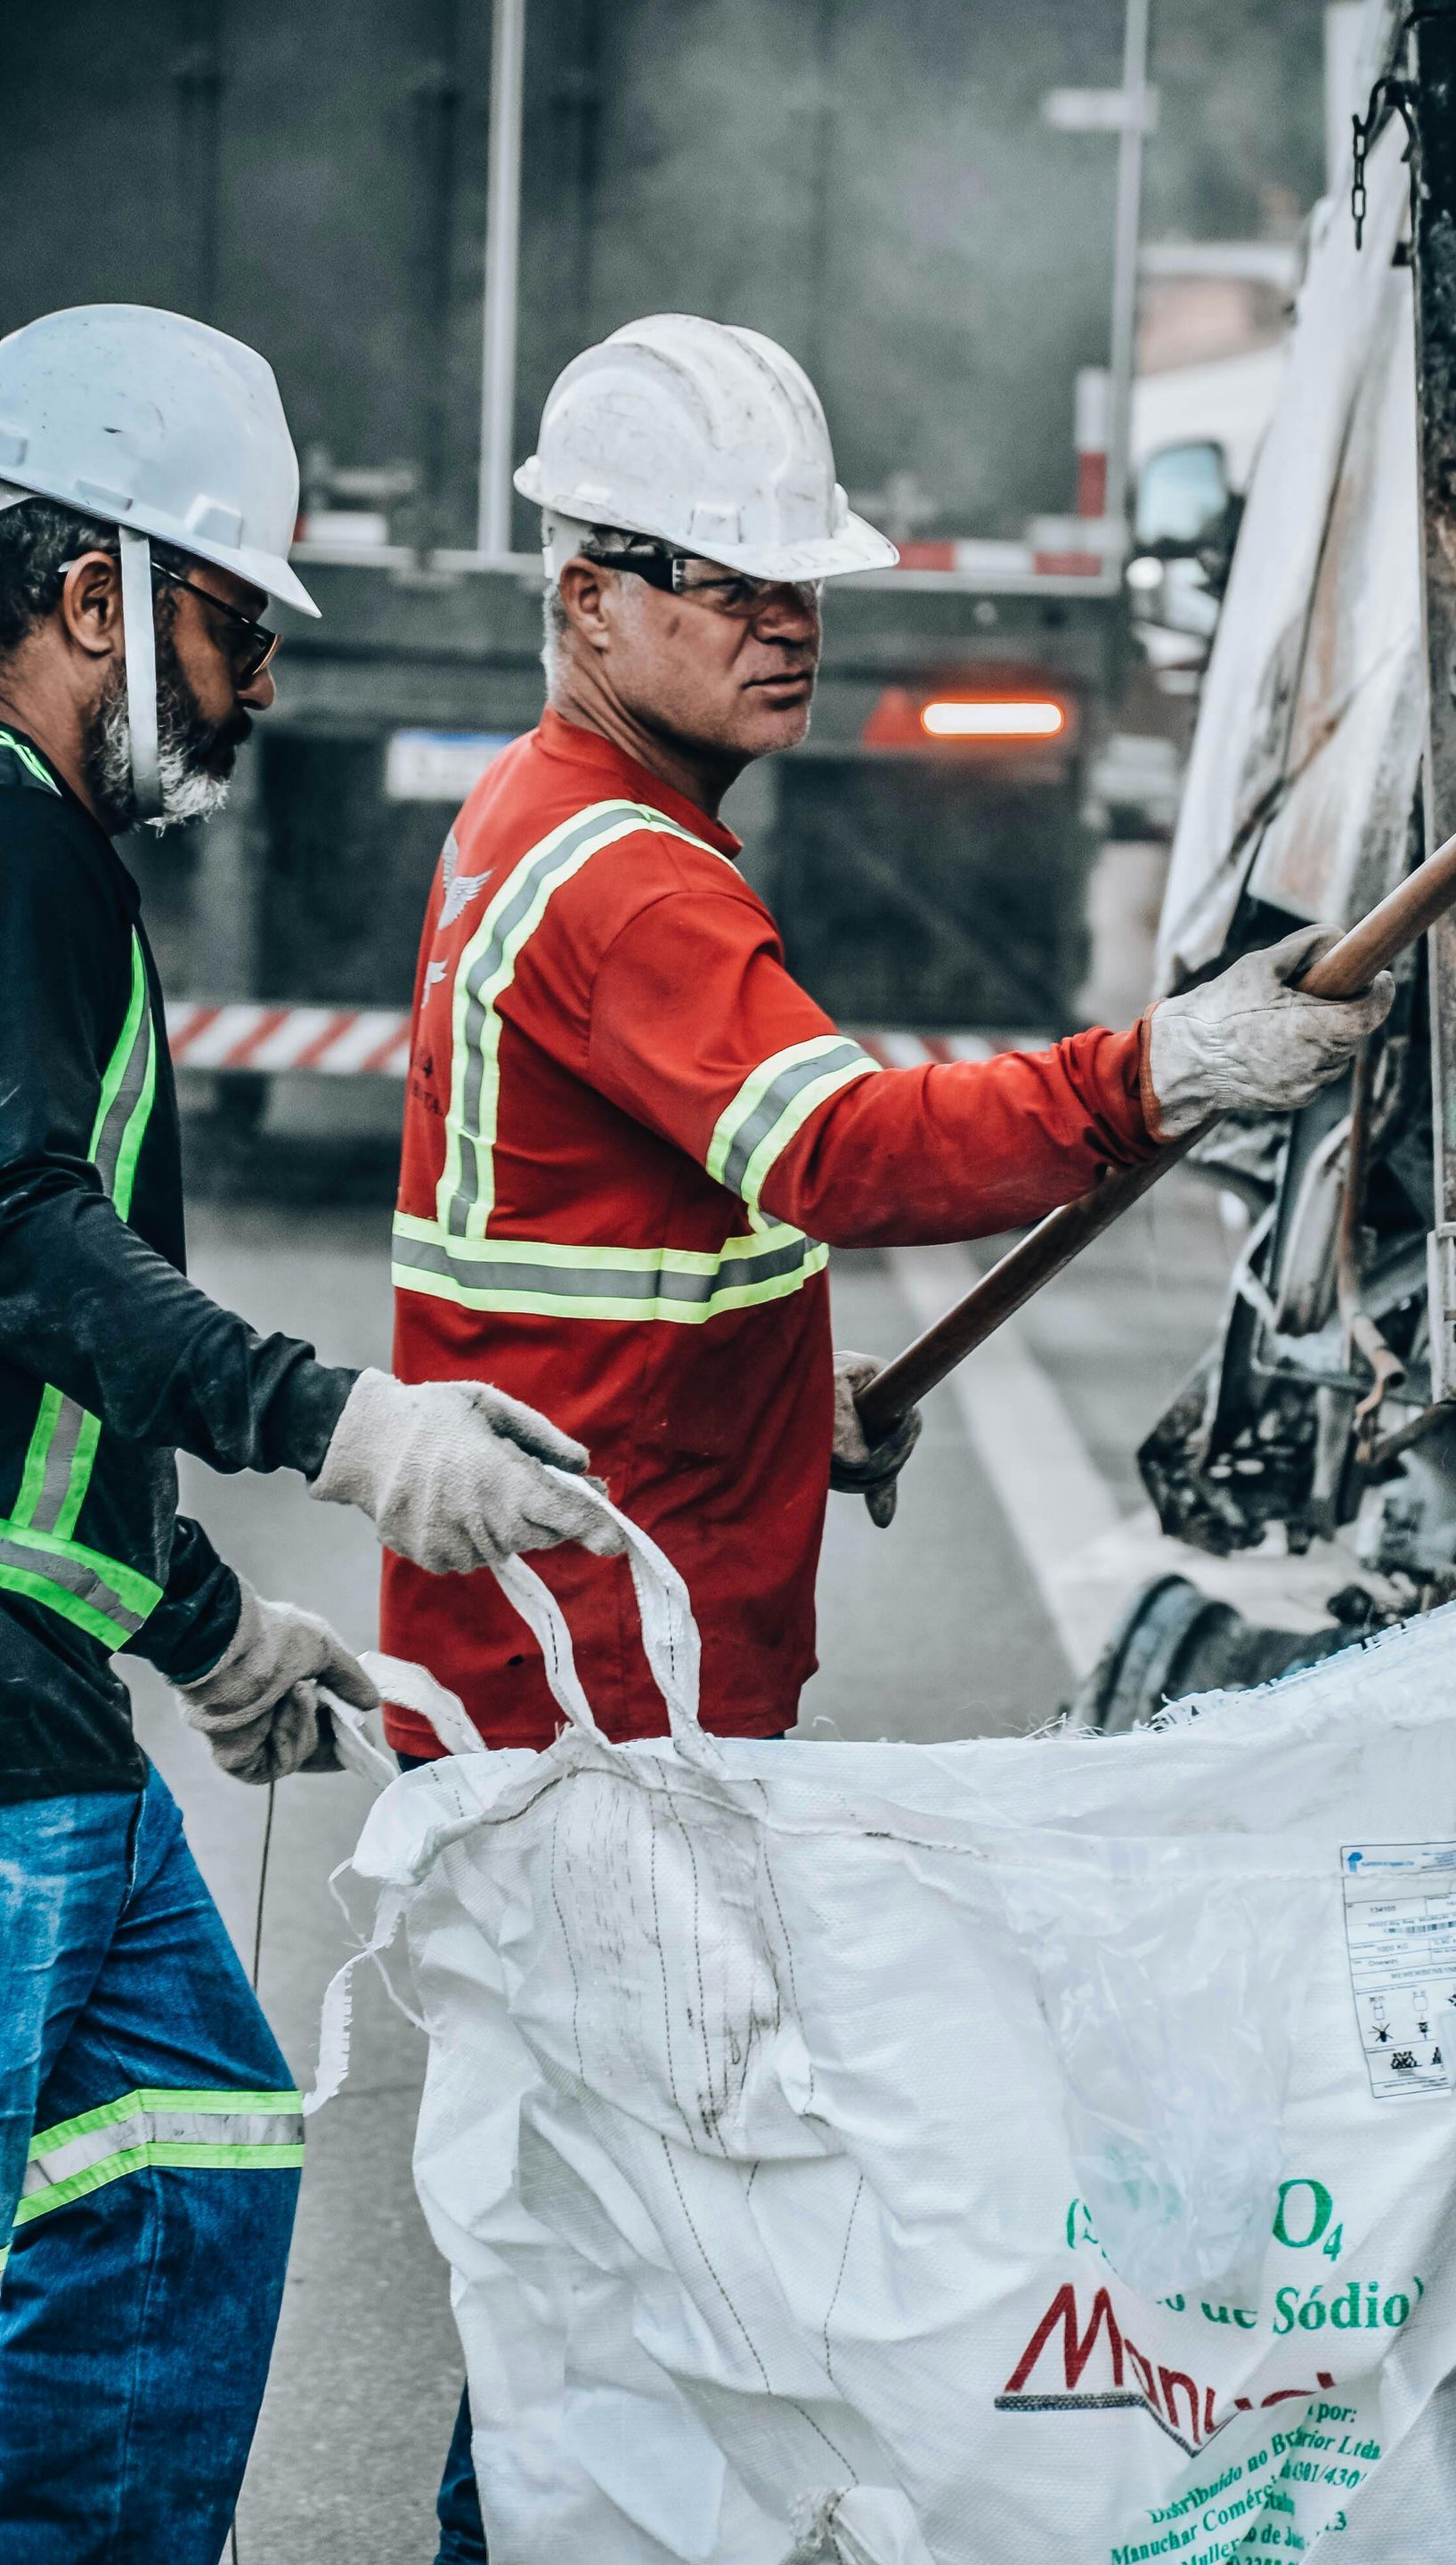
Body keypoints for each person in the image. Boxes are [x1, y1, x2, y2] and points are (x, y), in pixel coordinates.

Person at [381, 310, 1393, 2557]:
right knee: (623, 2295)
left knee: (596, 2276)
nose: (784, 624)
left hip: (573, 1665)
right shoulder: (630, 874)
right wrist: (1162, 1073)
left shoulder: (555, 826)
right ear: (588, 595)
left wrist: (778, 1393)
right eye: (728, 581)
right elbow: (837, 1151)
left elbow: (614, 1237)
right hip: (607, 1718)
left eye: (797, 582)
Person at [0, 303, 619, 2565]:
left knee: (189, 2134)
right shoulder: (10, 859)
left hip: (53, 1694)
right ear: (92, 599)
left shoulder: (49, 861)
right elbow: (17, 1245)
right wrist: (341, 1427)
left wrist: (202, 1623)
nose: (258, 686)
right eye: (231, 623)